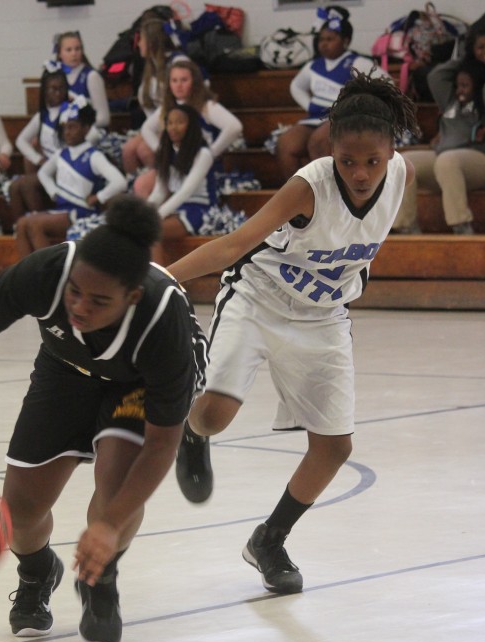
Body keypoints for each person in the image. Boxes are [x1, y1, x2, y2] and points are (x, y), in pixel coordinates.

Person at [167, 70, 419, 592]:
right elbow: (233, 245)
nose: (361, 173)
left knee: (335, 446)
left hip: (324, 313)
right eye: (347, 160)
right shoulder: (309, 186)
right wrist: (162, 280)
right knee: (215, 414)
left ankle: (270, 540)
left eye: (373, 161)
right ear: (331, 149)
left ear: (392, 150)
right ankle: (192, 431)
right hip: (259, 297)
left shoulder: (403, 175)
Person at [0, 194, 207, 642]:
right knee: (20, 511)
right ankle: (38, 572)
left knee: (116, 488)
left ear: (131, 296)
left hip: (137, 381)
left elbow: (159, 447)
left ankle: (102, 577)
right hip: (67, 367)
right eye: (75, 292)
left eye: (98, 300)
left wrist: (107, 526)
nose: (79, 307)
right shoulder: (47, 271)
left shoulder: (162, 321)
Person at [393, 31, 485, 235]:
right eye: (457, 85)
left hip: (482, 163)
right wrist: (466, 57)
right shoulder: (450, 101)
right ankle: (406, 226)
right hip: (445, 162)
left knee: (448, 160)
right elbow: (436, 76)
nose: (459, 90)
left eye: (465, 85)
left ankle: (461, 225)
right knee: (404, 163)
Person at [14, 98, 127, 259]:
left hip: (80, 213)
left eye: (72, 127)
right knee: (21, 224)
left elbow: (120, 182)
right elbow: (43, 173)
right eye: (65, 127)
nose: (67, 132)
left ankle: (51, 275)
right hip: (62, 209)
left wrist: (98, 197)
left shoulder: (94, 155)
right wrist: (53, 192)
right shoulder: (61, 154)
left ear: (86, 129)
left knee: (34, 224)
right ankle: (26, 276)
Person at [276, 6, 378, 180]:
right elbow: (296, 86)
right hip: (315, 118)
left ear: (345, 41)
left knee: (319, 141)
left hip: (344, 119)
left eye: (330, 39)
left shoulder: (358, 62)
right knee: (286, 143)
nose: (324, 43)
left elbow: (388, 85)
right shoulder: (313, 65)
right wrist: (308, 105)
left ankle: (331, 196)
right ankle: (298, 198)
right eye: (321, 39)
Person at [133, 60, 241, 199]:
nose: (178, 85)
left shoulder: (206, 106)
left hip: (201, 169)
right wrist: (162, 151)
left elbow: (234, 127)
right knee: (141, 185)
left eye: (184, 80)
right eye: (174, 80)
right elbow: (147, 129)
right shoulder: (167, 107)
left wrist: (212, 152)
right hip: (175, 167)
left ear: (194, 82)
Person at [142, 104, 219, 265]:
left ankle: (161, 285)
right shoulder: (166, 152)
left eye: (179, 122)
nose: (173, 127)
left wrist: (158, 215)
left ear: (191, 125)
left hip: (200, 209)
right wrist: (142, 212)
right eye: (169, 123)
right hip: (176, 209)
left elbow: (186, 191)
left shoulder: (203, 153)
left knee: (152, 231)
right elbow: (159, 192)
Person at [120, 16, 188, 175]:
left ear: (152, 41)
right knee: (128, 150)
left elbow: (187, 97)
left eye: (141, 39)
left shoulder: (177, 61)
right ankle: (135, 189)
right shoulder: (150, 65)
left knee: (145, 150)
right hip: (158, 123)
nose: (138, 44)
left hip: (177, 122)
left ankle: (166, 182)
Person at [8, 64, 69, 223]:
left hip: (67, 169)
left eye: (61, 88)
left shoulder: (70, 112)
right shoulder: (42, 116)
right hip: (49, 169)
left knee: (27, 185)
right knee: (13, 187)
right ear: (44, 91)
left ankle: (39, 222)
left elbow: (93, 135)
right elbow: (20, 141)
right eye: (52, 89)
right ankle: (20, 229)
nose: (58, 93)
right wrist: (38, 159)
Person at [53, 31, 110, 143]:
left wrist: (79, 125)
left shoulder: (91, 76)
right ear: (60, 54)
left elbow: (104, 118)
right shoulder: (56, 78)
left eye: (77, 49)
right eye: (69, 50)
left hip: (91, 132)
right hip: (66, 130)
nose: (74, 53)